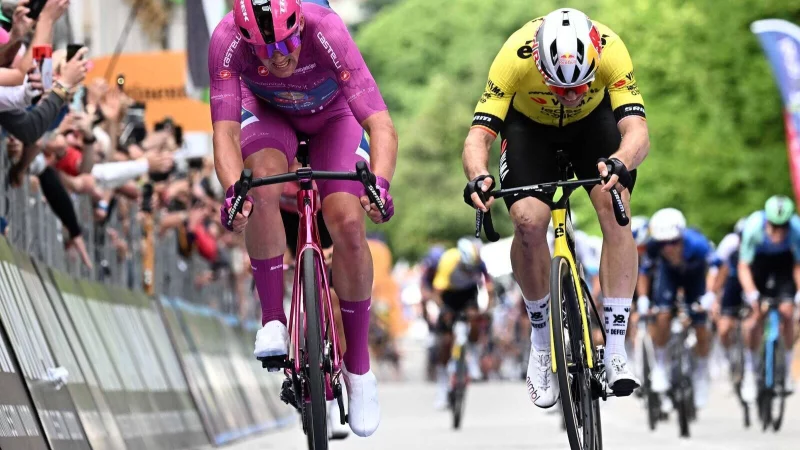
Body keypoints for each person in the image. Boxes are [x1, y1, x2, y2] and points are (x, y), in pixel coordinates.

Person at [210, 0, 398, 437]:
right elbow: (225, 133)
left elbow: (381, 125)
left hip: (334, 117)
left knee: (348, 222)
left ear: (300, 27)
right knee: (260, 184)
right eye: (265, 50)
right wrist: (234, 192)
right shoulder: (225, 40)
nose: (279, 58)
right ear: (246, 40)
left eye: (288, 44)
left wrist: (381, 185)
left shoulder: (327, 28)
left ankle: (359, 371)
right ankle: (273, 318)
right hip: (268, 115)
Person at [462, 7, 649, 407]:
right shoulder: (515, 54)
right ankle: (541, 340)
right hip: (530, 130)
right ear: (539, 63)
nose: (568, 95)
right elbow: (478, 136)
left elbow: (637, 131)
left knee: (614, 204)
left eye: (578, 85)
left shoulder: (612, 48)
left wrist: (621, 160)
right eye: (560, 87)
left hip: (592, 127)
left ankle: (615, 348)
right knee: (528, 220)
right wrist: (478, 175)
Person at [638, 208, 718, 409]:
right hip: (669, 276)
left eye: (673, 242)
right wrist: (643, 300)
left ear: (681, 237)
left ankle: (701, 373)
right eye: (663, 243)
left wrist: (710, 295)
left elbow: (717, 268)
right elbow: (644, 272)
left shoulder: (698, 244)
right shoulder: (653, 247)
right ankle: (661, 365)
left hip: (696, 279)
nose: (668, 248)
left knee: (701, 325)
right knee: (663, 314)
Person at [738, 195, 800, 401]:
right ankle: (750, 368)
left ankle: (788, 368)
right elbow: (744, 266)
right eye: (774, 225)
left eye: (783, 226)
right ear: (767, 220)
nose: (779, 230)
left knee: (788, 312)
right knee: (756, 317)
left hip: (784, 266)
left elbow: (798, 266)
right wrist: (752, 293)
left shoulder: (796, 229)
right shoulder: (754, 227)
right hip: (759, 266)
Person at [431, 238, 494, 409]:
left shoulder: (478, 261)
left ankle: (472, 356)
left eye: (470, 269)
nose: (468, 272)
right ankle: (442, 388)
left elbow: (489, 288)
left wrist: (487, 309)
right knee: (446, 342)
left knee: (474, 318)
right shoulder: (448, 261)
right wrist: (444, 310)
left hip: (468, 294)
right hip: (449, 295)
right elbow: (437, 293)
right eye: (465, 269)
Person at [709, 218, 747, 356]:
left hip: (752, 281)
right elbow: (715, 271)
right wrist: (713, 297)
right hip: (731, 281)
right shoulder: (730, 242)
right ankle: (728, 354)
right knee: (724, 328)